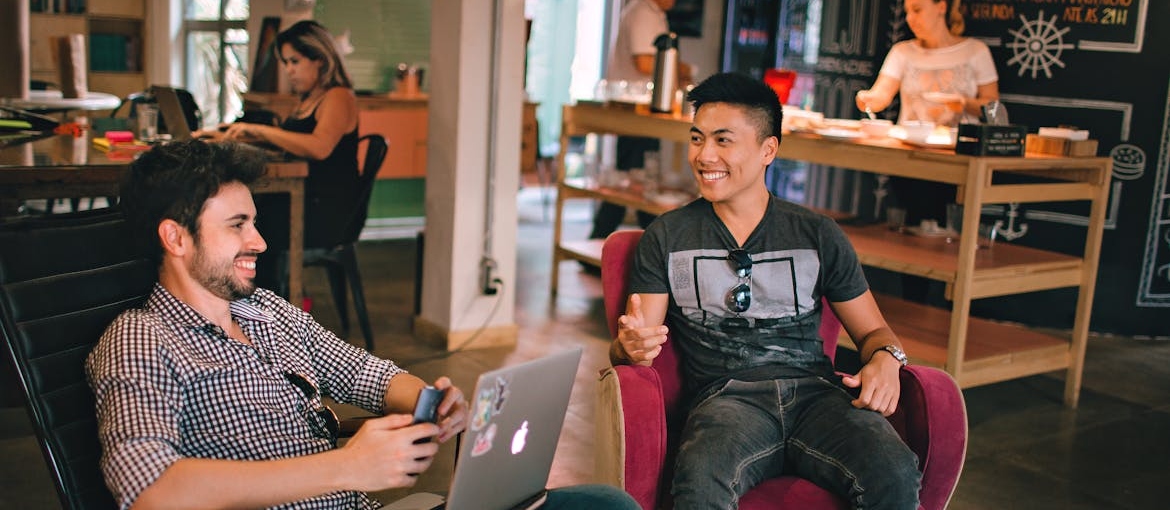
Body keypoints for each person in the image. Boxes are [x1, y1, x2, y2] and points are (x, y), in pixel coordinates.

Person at [88, 140, 639, 509]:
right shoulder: (141, 338)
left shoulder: (267, 311)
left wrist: (430, 401)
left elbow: (366, 375)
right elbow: (149, 491)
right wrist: (347, 466)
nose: (260, 241)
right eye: (237, 225)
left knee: (605, 504)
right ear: (175, 238)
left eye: (254, 222)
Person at [610, 73, 921, 509]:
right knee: (700, 482)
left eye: (723, 140)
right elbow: (635, 344)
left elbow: (874, 332)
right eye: (697, 139)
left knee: (895, 470)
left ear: (768, 150)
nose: (704, 155)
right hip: (726, 401)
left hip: (819, 398)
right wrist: (627, 348)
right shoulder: (667, 236)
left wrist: (887, 358)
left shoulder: (817, 234)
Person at [194, 20, 361, 297]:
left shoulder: (339, 97)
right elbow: (292, 141)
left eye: (295, 61)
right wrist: (230, 135)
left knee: (248, 224)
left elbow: (319, 147)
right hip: (306, 198)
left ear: (319, 59)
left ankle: (260, 304)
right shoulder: (310, 98)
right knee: (241, 216)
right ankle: (244, 299)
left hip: (326, 210)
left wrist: (259, 130)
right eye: (286, 62)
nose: (288, 70)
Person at [855, 0, 999, 299]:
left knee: (952, 241)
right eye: (908, 10)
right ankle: (914, 305)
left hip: (958, 159)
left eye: (918, 9)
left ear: (941, 6)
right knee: (911, 240)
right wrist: (867, 99)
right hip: (911, 156)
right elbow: (881, 95)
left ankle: (947, 311)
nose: (910, 18)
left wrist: (963, 103)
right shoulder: (903, 51)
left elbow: (993, 106)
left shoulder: (975, 51)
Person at [588, 0, 692, 244]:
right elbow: (644, 62)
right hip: (637, 110)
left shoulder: (650, 12)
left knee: (636, 180)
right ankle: (609, 245)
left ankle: (639, 245)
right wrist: (681, 67)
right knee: (635, 181)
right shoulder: (644, 12)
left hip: (642, 111)